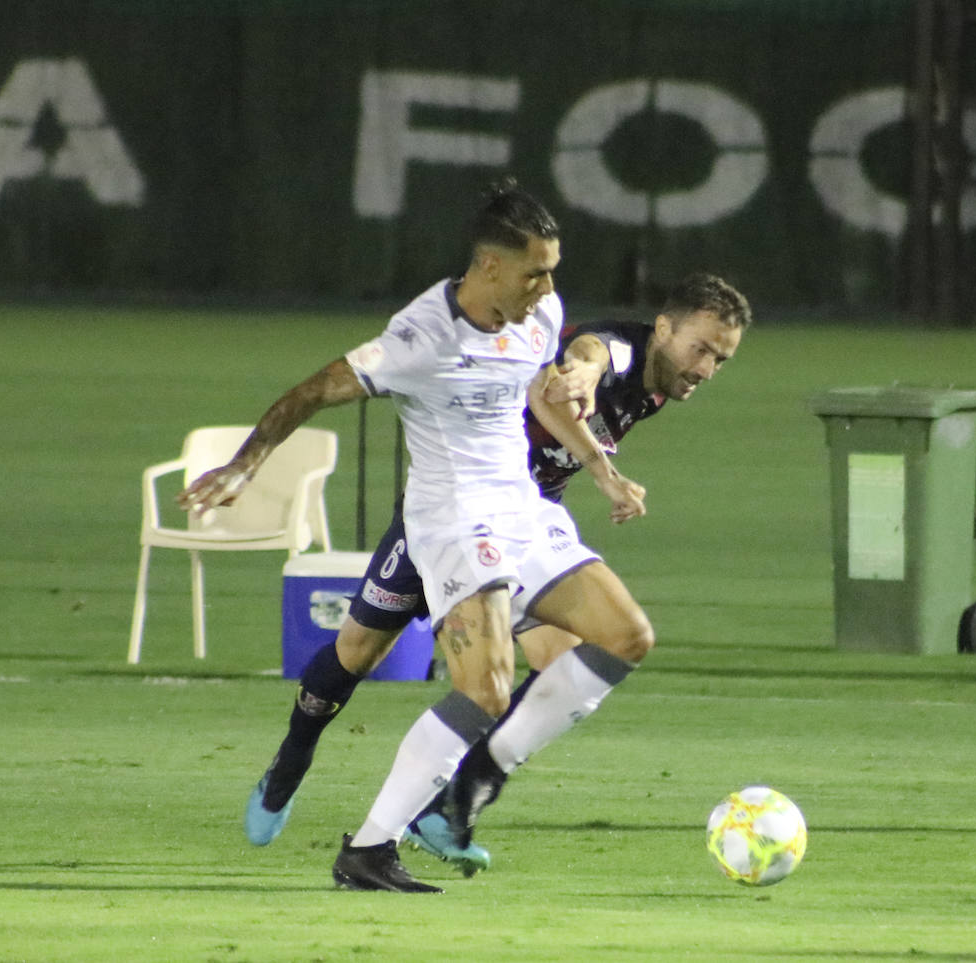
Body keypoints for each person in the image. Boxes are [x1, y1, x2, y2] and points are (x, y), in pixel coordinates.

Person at [181, 178, 657, 893]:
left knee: (627, 633)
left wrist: (600, 469)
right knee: (471, 684)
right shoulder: (419, 337)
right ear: (490, 266)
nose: (549, 286)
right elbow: (311, 391)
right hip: (453, 520)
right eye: (536, 270)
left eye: (552, 269)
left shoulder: (539, 312)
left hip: (522, 507)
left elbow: (537, 392)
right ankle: (365, 842)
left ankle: (463, 796)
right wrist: (245, 466)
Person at [237, 272, 752, 875]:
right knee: (356, 654)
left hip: (528, 521)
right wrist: (589, 404)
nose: (708, 367)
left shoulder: (657, 386)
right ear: (664, 328)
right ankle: (292, 759)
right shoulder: (619, 350)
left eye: (722, 358)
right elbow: (578, 364)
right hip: (451, 514)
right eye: (701, 348)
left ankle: (447, 805)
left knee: (570, 660)